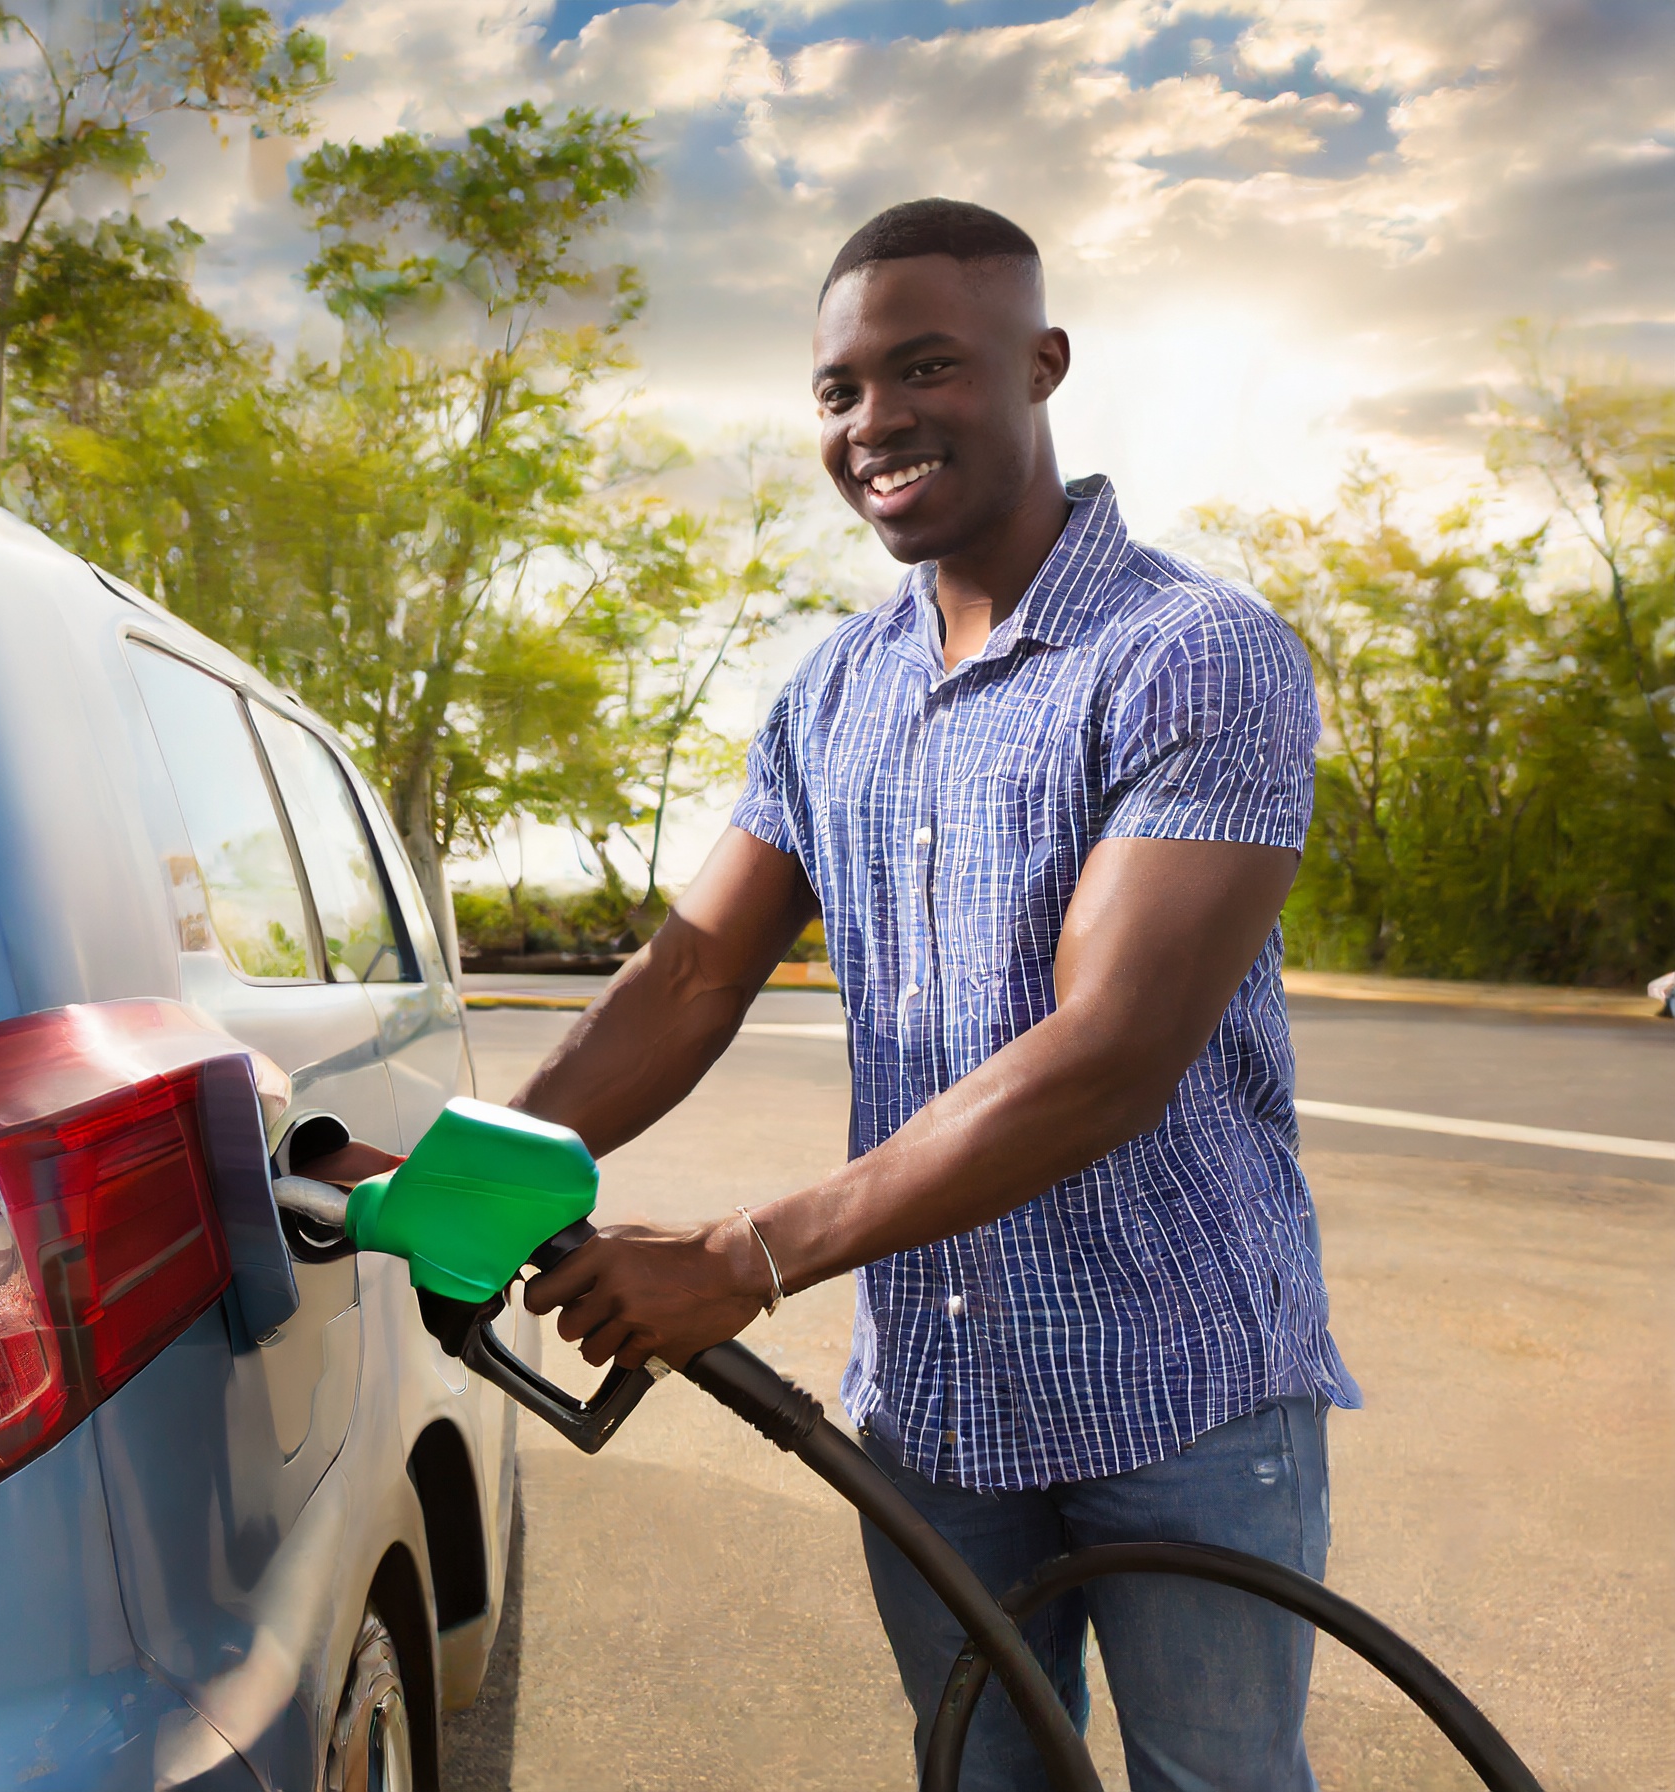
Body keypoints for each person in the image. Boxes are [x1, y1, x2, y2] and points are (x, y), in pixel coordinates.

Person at [509, 198, 1359, 1790]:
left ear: (1040, 366)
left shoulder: (1195, 655)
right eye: (838, 390)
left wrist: (749, 1254)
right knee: (980, 1774)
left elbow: (1109, 1057)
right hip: (936, 1400)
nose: (875, 423)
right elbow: (690, 977)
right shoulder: (830, 690)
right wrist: (469, 1178)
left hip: (1176, 1390)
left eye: (924, 370)